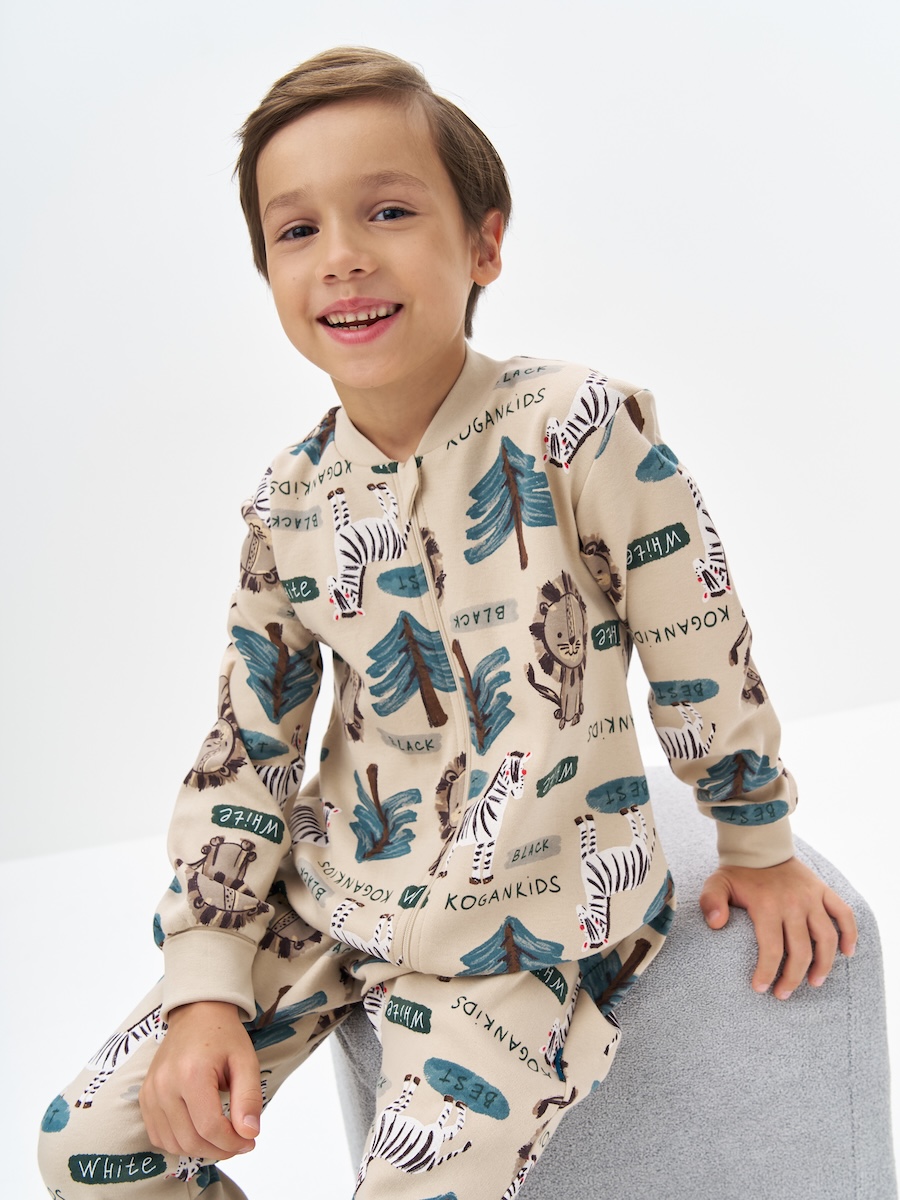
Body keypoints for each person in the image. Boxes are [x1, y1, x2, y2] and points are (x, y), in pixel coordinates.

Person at [38, 45, 857, 1199]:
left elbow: (697, 634)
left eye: (387, 210)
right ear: (270, 275)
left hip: (527, 928)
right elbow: (246, 750)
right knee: (87, 1149)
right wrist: (207, 980)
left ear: (483, 243)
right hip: (328, 894)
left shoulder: (578, 427)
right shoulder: (288, 503)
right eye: (298, 230)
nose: (344, 255)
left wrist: (757, 844)